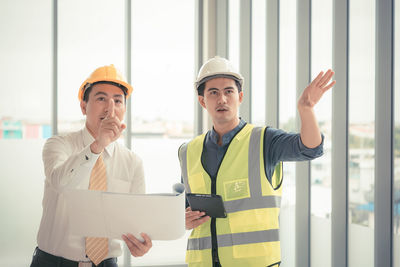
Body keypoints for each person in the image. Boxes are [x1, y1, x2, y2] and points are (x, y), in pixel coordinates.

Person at [178, 56, 335, 267]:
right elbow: (183, 208)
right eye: (213, 92)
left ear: (240, 97)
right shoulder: (188, 151)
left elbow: (310, 148)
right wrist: (183, 219)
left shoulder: (264, 141)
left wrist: (306, 108)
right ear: (202, 101)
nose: (222, 99)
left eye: (228, 91)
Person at [30, 65, 152, 267]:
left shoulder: (133, 163)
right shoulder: (58, 145)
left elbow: (135, 221)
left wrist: (141, 244)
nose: (110, 108)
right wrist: (98, 146)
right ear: (83, 106)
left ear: (124, 110)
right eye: (101, 98)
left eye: (118, 101)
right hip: (53, 262)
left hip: (106, 263)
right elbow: (61, 184)